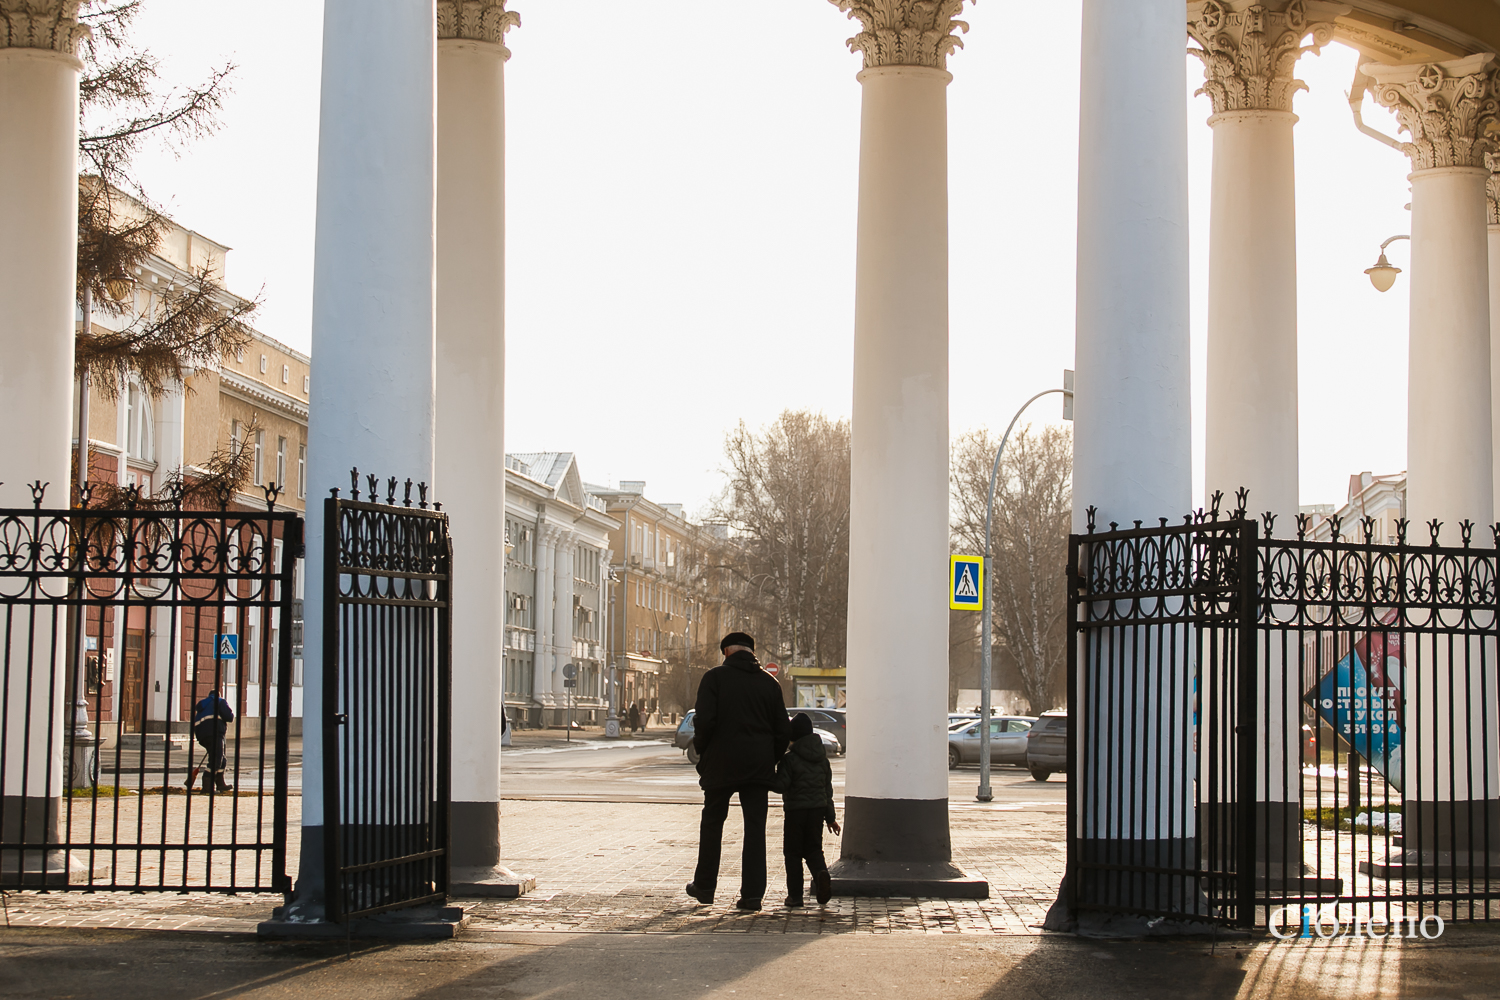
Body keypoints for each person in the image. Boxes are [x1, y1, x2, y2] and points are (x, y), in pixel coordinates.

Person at [685, 632, 790, 911]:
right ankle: (752, 895)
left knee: (712, 824)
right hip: (757, 767)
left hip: (720, 764)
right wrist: (770, 758)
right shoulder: (770, 684)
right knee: (755, 829)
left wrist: (703, 753)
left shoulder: (715, 678)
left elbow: (704, 722)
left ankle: (705, 887)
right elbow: (782, 730)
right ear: (751, 652)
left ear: (727, 652)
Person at [772, 713, 840, 907]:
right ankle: (821, 874)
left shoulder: (790, 760)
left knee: (792, 853)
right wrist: (831, 818)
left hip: (796, 812)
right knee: (813, 849)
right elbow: (828, 791)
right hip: (817, 811)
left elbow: (781, 786)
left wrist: (767, 776)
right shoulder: (823, 761)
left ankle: (795, 896)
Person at [192, 687, 235, 793]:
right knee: (216, 760)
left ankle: (220, 784)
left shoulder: (203, 705)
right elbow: (229, 717)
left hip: (202, 735)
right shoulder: (220, 701)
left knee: (221, 759)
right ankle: (207, 786)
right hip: (214, 732)